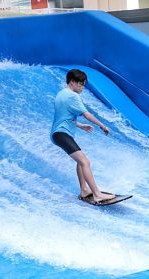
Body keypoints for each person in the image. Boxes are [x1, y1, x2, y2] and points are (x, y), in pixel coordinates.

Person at [52, 68, 114, 204]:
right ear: (73, 82)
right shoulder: (73, 96)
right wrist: (102, 125)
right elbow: (87, 114)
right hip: (62, 134)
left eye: (84, 85)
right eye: (81, 84)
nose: (82, 88)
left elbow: (63, 117)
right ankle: (97, 194)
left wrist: (80, 126)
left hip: (58, 133)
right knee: (85, 162)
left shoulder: (61, 94)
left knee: (81, 162)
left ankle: (84, 190)